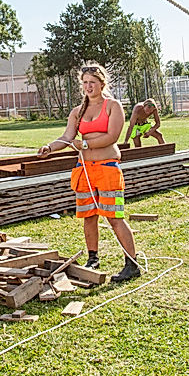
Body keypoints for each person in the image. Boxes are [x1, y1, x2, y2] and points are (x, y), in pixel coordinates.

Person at [37, 62, 141, 283]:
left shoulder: (113, 106)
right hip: (84, 170)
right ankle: (93, 258)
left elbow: (111, 137)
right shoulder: (78, 111)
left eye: (92, 82)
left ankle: (132, 264)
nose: (88, 86)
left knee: (114, 217)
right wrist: (49, 148)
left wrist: (84, 143)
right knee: (89, 216)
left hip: (107, 168)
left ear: (102, 83)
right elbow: (66, 138)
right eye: (84, 82)